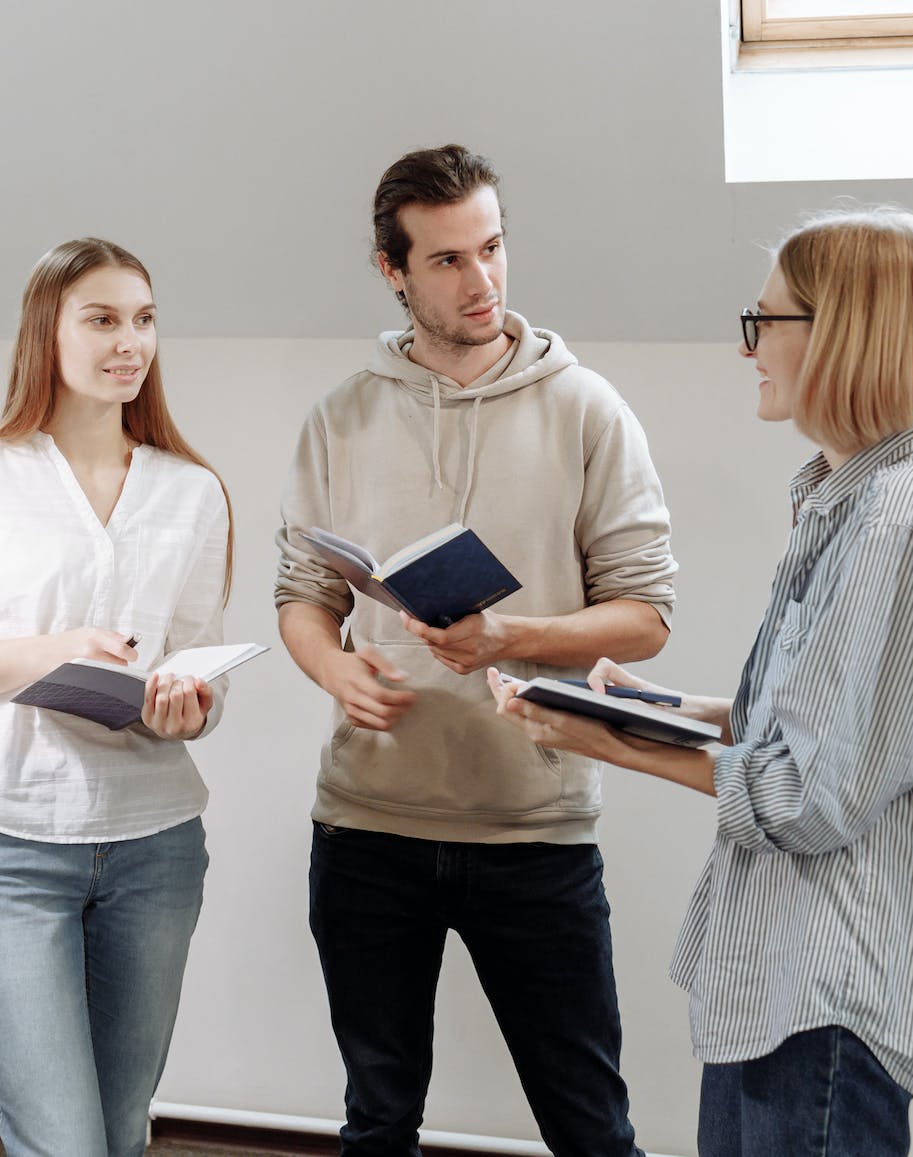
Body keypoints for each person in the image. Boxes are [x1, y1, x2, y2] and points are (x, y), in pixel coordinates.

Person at [490, 206, 913, 1157]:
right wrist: (647, 706)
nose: (748, 348)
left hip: (830, 993)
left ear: (842, 332)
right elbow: (815, 726)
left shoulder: (908, 520)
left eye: (764, 322)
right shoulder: (851, 495)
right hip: (783, 976)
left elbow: (814, 795)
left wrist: (601, 742)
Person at [274, 144, 675, 1157]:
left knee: (591, 1130)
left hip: (534, 831)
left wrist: (511, 636)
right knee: (376, 1123)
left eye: (490, 247)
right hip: (364, 829)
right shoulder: (339, 416)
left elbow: (643, 615)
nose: (480, 279)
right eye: (447, 259)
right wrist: (333, 668)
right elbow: (300, 596)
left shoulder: (586, 408)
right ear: (391, 270)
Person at [0, 237, 233, 1157]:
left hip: (156, 842)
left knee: (119, 1131)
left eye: (145, 319)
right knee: (61, 1142)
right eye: (104, 318)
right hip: (9, 840)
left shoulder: (193, 492)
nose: (131, 341)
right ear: (47, 331)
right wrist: (54, 652)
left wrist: (191, 702)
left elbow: (198, 665)